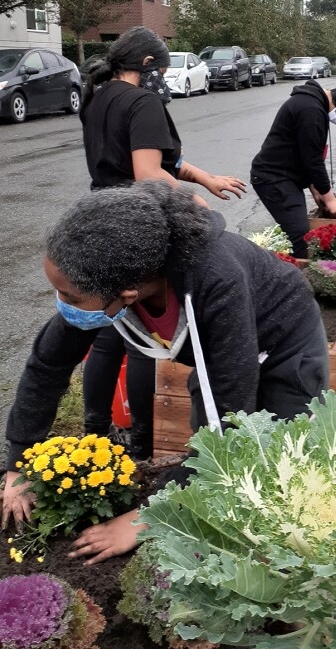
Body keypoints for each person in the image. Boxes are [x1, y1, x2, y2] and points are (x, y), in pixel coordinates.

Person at [0, 181, 331, 564]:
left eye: (70, 297)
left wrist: (147, 518)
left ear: (127, 293)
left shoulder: (216, 279)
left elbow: (227, 417)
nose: (62, 305)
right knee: (207, 440)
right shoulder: (115, 275)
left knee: (279, 457)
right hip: (222, 353)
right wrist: (18, 463)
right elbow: (47, 366)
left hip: (284, 341)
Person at [78, 27, 248, 459]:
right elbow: (149, 171)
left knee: (108, 331)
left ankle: (96, 433)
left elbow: (156, 158)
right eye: (165, 71)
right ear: (148, 65)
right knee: (143, 338)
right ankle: (141, 444)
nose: (165, 81)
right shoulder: (143, 101)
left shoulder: (99, 96)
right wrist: (195, 204)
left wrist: (204, 178)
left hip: (102, 215)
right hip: (142, 222)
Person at [249, 81, 336, 258]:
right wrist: (330, 200)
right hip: (273, 178)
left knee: (301, 233)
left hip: (285, 177)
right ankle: (297, 280)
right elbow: (313, 161)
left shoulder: (313, 105)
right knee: (301, 237)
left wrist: (316, 188)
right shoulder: (311, 110)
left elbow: (306, 153)